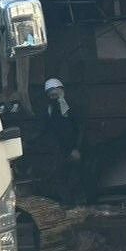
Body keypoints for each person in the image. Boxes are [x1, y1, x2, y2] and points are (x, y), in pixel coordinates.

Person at [42, 76, 87, 205]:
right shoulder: (50, 109)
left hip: (74, 148)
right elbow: (48, 129)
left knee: (77, 177)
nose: (52, 95)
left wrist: (76, 148)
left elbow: (80, 127)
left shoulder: (71, 105)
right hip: (60, 150)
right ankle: (68, 204)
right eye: (50, 94)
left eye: (54, 92)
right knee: (60, 177)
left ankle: (80, 205)